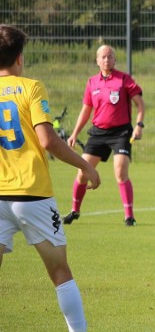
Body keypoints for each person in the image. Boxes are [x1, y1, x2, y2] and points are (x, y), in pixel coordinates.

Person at [0, 24, 102, 332]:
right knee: (59, 271)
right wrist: (86, 167)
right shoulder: (30, 87)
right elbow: (48, 141)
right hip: (32, 194)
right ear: (19, 58)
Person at [62, 44, 145, 227]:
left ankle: (129, 216)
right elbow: (86, 110)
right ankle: (74, 211)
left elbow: (140, 104)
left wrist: (139, 125)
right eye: (103, 57)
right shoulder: (92, 82)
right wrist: (75, 133)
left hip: (121, 132)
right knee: (83, 171)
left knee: (120, 172)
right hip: (98, 133)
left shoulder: (124, 79)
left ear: (115, 60)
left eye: (110, 56)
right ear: (97, 60)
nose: (107, 60)